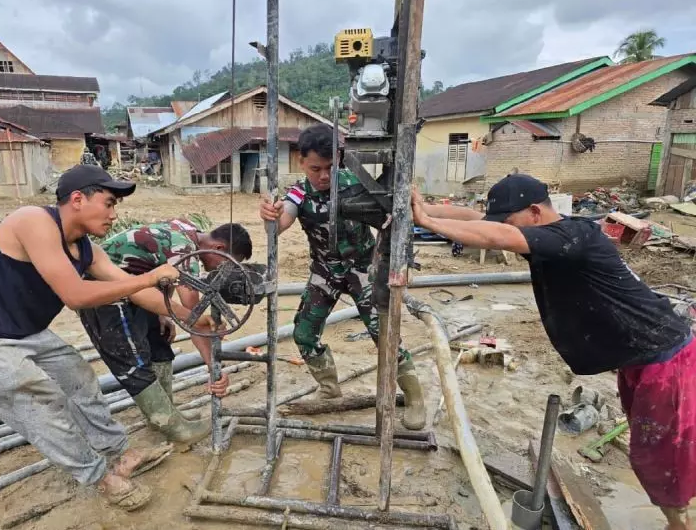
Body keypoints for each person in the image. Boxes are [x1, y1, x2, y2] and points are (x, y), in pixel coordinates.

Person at [411, 173, 695, 530]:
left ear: (534, 212)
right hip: (640, 357)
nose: (504, 228)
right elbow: (476, 218)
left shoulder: (573, 237)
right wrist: (424, 209)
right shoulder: (553, 235)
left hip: (665, 358)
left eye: (509, 221)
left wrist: (428, 223)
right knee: (654, 447)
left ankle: (680, 524)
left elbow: (497, 235)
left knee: (662, 455)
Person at [0, 165, 216, 511]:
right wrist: (150, 277)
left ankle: (119, 452)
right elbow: (75, 295)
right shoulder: (32, 221)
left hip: (21, 329)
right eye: (109, 203)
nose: (114, 214)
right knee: (40, 400)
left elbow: (133, 292)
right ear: (77, 199)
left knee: (78, 377)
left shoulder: (87, 250)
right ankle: (99, 478)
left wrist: (190, 316)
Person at [259, 124, 426, 430]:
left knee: (384, 334)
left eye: (329, 167)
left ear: (339, 160)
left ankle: (414, 397)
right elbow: (282, 223)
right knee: (304, 333)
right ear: (301, 161)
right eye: (315, 169)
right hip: (325, 271)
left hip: (363, 269)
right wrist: (270, 217)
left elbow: (391, 221)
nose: (324, 176)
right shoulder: (298, 193)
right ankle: (329, 387)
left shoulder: (356, 184)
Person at [78, 219, 253, 444]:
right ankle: (174, 427)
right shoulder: (184, 250)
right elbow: (194, 320)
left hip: (136, 288)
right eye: (226, 263)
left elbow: (161, 269)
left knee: (159, 339)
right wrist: (213, 368)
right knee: (133, 360)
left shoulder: (187, 229)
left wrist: (164, 313)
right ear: (218, 248)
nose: (224, 270)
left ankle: (165, 413)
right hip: (103, 292)